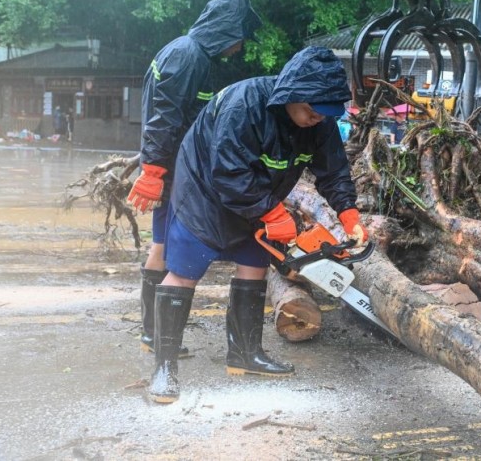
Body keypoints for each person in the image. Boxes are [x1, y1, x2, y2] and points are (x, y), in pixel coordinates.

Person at [147, 46, 369, 404]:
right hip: (203, 187)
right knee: (185, 270)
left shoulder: (320, 122)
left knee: (254, 263)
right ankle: (164, 367)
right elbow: (227, 171)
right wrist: (272, 213)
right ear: (292, 96)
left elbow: (334, 169)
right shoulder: (244, 105)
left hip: (259, 192)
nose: (316, 119)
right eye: (311, 111)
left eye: (323, 114)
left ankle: (245, 353)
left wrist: (348, 213)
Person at [126, 0, 262, 357]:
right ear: (227, 32)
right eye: (239, 41)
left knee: (161, 244)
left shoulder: (185, 50)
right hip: (172, 171)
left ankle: (152, 333)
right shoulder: (188, 56)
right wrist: (154, 171)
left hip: (169, 166)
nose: (238, 49)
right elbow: (165, 117)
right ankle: (156, 335)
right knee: (166, 247)